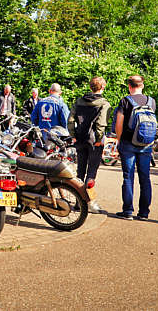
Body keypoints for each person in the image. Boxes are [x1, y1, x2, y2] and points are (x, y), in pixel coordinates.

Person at [113, 75, 155, 220]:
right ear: (142, 85)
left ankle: (128, 211)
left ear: (129, 86)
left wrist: (119, 140)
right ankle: (144, 213)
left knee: (128, 177)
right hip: (146, 144)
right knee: (145, 178)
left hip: (128, 143)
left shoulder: (125, 101)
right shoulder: (151, 101)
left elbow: (119, 123)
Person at [68, 76, 111, 214]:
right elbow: (101, 124)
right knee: (91, 173)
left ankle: (78, 202)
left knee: (80, 171)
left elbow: (71, 120)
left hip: (80, 138)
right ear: (103, 87)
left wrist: (73, 135)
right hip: (94, 141)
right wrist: (99, 139)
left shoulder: (79, 101)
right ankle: (89, 203)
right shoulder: (104, 104)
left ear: (90, 86)